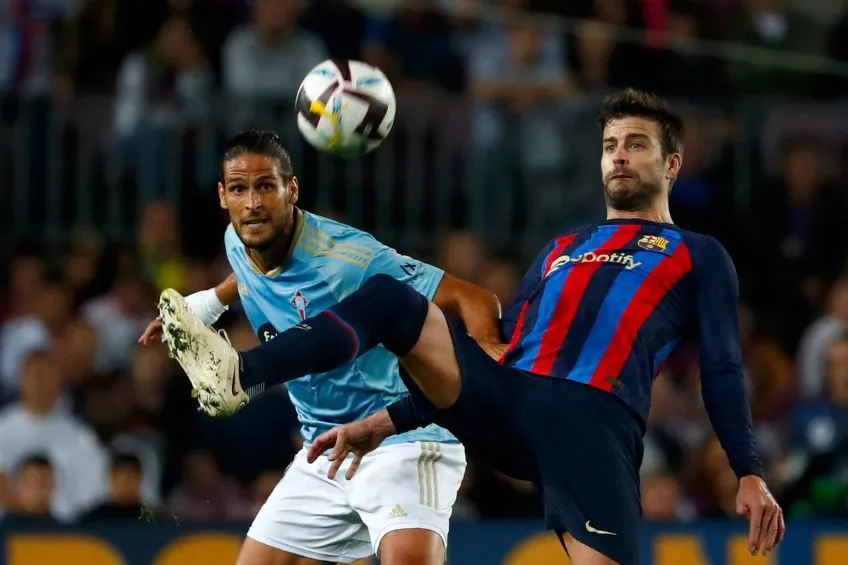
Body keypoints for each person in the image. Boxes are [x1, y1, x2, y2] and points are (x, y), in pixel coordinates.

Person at [157, 91, 785, 565]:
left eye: (637, 145)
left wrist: (748, 471)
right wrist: (382, 423)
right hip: (508, 397)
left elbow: (723, 368)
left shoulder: (697, 254)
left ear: (671, 164)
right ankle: (241, 372)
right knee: (391, 300)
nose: (619, 157)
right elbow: (513, 346)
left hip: (590, 425)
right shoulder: (563, 246)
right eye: (610, 145)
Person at [145, 130, 503, 565]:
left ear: (291, 190)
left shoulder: (349, 258)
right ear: (223, 196)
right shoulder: (238, 241)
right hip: (324, 449)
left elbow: (473, 297)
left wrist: (488, 349)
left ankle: (241, 375)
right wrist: (206, 305)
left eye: (266, 187)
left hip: (401, 437)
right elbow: (250, 275)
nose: (253, 203)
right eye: (239, 189)